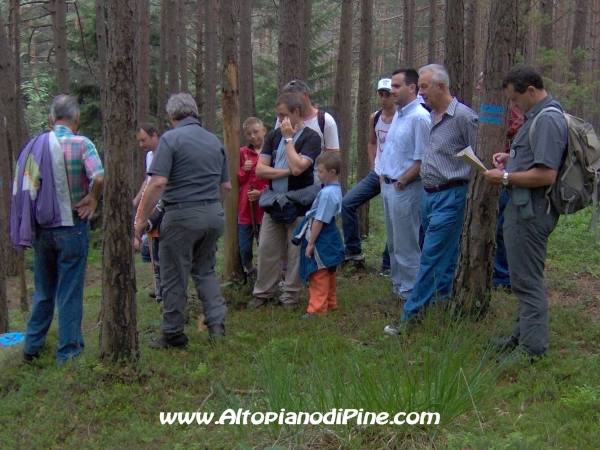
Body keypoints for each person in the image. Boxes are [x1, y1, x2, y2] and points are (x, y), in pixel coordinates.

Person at [384, 64, 478, 335]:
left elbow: (482, 154)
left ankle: (408, 317)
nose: (420, 92)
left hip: (452, 195)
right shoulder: (431, 116)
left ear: (441, 86)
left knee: (430, 256)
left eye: (424, 87)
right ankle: (441, 305)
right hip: (429, 195)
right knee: (444, 259)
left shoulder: (463, 117)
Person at [483, 64, 567, 360]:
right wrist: (512, 159)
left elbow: (546, 174)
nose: (513, 105)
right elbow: (535, 160)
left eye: (515, 99)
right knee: (520, 277)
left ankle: (533, 348)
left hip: (531, 212)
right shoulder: (536, 118)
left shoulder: (547, 120)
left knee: (528, 281)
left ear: (531, 90)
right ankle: (520, 335)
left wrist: (504, 177)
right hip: (523, 208)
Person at [135, 93, 231, 348]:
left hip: (181, 216)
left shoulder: (170, 139)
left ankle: (173, 333)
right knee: (205, 270)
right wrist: (210, 208)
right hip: (213, 214)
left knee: (174, 275)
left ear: (171, 115)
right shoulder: (214, 140)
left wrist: (142, 220)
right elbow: (227, 187)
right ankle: (217, 324)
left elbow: (158, 182)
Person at [14, 94, 104, 363]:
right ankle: (69, 351)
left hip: (43, 230)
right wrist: (94, 198)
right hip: (73, 228)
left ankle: (31, 347)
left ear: (51, 119)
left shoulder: (33, 147)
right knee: (69, 291)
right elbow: (98, 176)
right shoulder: (81, 144)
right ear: (76, 118)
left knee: (43, 291)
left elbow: (27, 189)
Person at [248, 93, 322, 309]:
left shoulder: (311, 138)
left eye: (283, 115)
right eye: (278, 116)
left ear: (296, 113)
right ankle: (263, 292)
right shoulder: (272, 136)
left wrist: (289, 140)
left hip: (299, 204)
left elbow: (300, 168)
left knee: (295, 250)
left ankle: (290, 295)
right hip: (273, 202)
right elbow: (261, 169)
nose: (280, 120)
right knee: (267, 249)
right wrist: (289, 170)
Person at [378, 68, 431, 301]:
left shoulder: (420, 117)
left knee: (406, 244)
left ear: (412, 88)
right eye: (392, 86)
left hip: (405, 189)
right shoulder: (399, 114)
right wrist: (383, 176)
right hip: (388, 186)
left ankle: (411, 292)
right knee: (393, 243)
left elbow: (423, 158)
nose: (392, 91)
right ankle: (399, 285)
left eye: (397, 86)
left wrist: (402, 181)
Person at [477, 71, 524, 289]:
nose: (479, 89)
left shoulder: (511, 109)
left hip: (507, 174)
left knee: (502, 227)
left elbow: (518, 132)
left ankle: (504, 276)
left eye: (482, 84)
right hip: (498, 172)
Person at [342, 78, 394, 272]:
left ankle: (388, 265)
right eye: (381, 94)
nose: (384, 99)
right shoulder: (376, 117)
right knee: (348, 202)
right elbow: (372, 143)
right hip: (377, 174)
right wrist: (374, 165)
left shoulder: (402, 118)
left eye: (387, 94)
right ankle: (354, 251)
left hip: (395, 176)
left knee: (393, 218)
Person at [295, 152, 345, 319]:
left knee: (319, 272)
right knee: (329, 270)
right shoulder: (334, 189)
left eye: (321, 171)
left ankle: (317, 308)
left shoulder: (327, 193)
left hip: (322, 235)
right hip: (330, 234)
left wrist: (310, 243)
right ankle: (330, 302)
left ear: (332, 172)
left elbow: (319, 220)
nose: (318, 174)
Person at [133, 123, 163, 300]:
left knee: (160, 246)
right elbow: (148, 180)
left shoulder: (165, 152)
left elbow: (159, 182)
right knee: (151, 245)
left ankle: (165, 286)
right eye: (139, 141)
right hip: (150, 203)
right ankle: (157, 285)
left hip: (163, 205)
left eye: (143, 140)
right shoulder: (149, 156)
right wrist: (137, 200)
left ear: (155, 136)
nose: (141, 144)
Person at [238, 117, 269, 277]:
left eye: (256, 132)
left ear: (263, 131)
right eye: (249, 134)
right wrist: (244, 169)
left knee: (264, 245)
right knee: (244, 247)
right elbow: (238, 180)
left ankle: (265, 274)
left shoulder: (270, 152)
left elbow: (273, 178)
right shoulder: (243, 153)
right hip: (245, 209)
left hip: (264, 209)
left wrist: (261, 193)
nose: (253, 136)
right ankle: (250, 271)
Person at [280, 79, 340, 153]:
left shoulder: (325, 120)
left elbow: (333, 155)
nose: (290, 103)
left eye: (293, 98)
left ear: (306, 95)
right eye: (287, 99)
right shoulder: (283, 119)